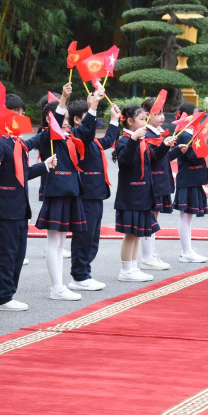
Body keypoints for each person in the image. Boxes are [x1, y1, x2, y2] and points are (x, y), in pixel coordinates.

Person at [0, 95, 50, 312]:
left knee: (18, 254)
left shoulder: (16, 141)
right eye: (19, 112)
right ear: (8, 115)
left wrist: (44, 165)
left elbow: (22, 174)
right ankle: (1, 297)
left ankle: (9, 293)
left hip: (19, 209)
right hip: (4, 208)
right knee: (5, 254)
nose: (22, 116)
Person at [35, 85, 101, 301]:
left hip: (71, 193)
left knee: (61, 244)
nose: (65, 123)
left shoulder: (69, 136)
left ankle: (60, 286)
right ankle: (56, 288)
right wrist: (63, 99)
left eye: (67, 120)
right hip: (57, 193)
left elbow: (88, 131)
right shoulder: (48, 137)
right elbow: (55, 119)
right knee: (54, 244)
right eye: (61, 120)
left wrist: (94, 106)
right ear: (50, 120)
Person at [113, 105, 178, 281]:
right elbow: (125, 161)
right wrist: (134, 139)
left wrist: (165, 145)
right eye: (142, 119)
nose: (145, 122)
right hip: (131, 194)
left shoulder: (140, 140)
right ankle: (126, 270)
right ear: (130, 121)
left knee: (137, 233)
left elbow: (153, 158)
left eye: (145, 119)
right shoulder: (124, 140)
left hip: (142, 193)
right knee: (130, 234)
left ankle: (133, 267)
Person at [66, 94, 121, 291]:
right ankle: (79, 275)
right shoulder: (77, 135)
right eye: (88, 116)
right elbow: (88, 132)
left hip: (96, 193)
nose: (93, 122)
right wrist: (94, 105)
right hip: (86, 193)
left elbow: (106, 140)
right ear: (77, 120)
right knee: (84, 236)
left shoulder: (90, 139)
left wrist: (114, 121)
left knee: (93, 237)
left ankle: (85, 272)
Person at [172, 102, 208, 263]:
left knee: (188, 216)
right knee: (185, 216)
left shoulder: (192, 132)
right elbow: (193, 158)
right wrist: (207, 144)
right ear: (186, 116)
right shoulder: (183, 135)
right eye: (196, 114)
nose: (200, 117)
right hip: (188, 178)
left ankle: (187, 250)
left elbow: (203, 153)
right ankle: (186, 251)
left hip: (194, 178)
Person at [139, 97, 176, 270]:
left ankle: (150, 254)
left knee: (153, 218)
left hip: (159, 181)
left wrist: (175, 150)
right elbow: (152, 157)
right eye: (157, 113)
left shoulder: (157, 132)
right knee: (150, 219)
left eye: (162, 113)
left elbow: (163, 157)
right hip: (152, 182)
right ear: (147, 115)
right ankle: (147, 257)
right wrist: (166, 146)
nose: (162, 117)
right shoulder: (146, 133)